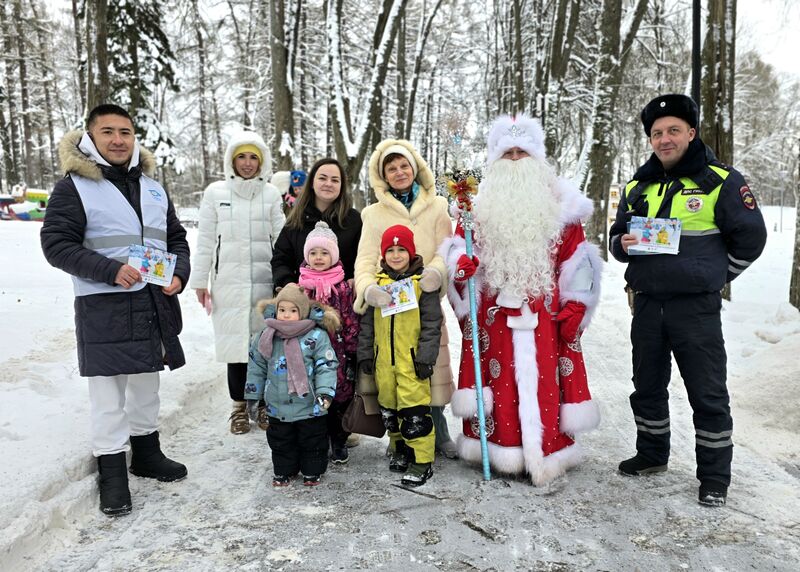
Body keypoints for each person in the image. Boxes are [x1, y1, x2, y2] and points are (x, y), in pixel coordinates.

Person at [609, 94, 767, 506]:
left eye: (673, 130)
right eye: (657, 133)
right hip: (645, 304)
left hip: (695, 308)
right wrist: (621, 244)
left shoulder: (721, 181)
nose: (665, 139)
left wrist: (715, 276)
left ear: (691, 133)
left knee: (707, 392)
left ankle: (714, 477)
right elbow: (616, 239)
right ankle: (651, 454)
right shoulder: (636, 185)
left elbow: (752, 239)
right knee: (646, 387)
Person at [40, 104, 189, 516]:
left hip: (151, 303)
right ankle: (112, 472)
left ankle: (146, 453)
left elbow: (175, 238)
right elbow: (56, 245)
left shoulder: (154, 188)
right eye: (108, 132)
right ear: (90, 137)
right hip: (104, 306)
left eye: (125, 132)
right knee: (108, 393)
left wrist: (181, 273)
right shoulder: (74, 187)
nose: (118, 140)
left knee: (147, 384)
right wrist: (110, 270)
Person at [441, 113, 602, 486]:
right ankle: (502, 449)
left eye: (522, 152)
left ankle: (549, 448)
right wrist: (461, 269)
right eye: (507, 153)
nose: (515, 159)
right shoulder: (474, 211)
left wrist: (577, 302)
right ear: (495, 161)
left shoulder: (563, 207)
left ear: (538, 157)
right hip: (495, 318)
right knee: (501, 383)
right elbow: (460, 257)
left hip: (545, 316)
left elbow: (578, 259)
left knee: (546, 380)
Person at [354, 139, 457, 459]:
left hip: (424, 301)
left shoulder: (438, 205)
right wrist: (367, 288)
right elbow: (365, 258)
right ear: (382, 175)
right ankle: (397, 436)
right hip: (389, 306)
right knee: (393, 372)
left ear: (415, 168)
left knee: (429, 366)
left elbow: (448, 249)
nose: (399, 172)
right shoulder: (372, 213)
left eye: (403, 166)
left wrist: (437, 273)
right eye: (391, 168)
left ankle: (438, 432)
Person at [190, 131, 284, 435]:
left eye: (253, 157)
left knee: (266, 347)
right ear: (232, 160)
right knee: (235, 349)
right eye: (241, 157)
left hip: (264, 285)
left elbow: (281, 239)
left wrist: (287, 281)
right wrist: (199, 280)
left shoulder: (270, 194)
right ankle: (239, 408)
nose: (247, 163)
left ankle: (265, 405)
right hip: (227, 282)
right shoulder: (215, 193)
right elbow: (205, 240)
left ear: (262, 161)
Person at [357, 226, 443, 486]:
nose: (396, 255)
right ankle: (400, 450)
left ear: (411, 252)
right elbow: (368, 324)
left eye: (401, 249)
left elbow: (431, 324)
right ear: (384, 254)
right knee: (390, 410)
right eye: (390, 250)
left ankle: (421, 460)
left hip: (411, 363)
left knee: (414, 412)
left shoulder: (421, 285)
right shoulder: (379, 285)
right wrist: (366, 354)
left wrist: (426, 357)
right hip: (384, 362)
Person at [245, 285, 340, 487]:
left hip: (311, 405)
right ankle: (284, 470)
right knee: (281, 440)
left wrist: (325, 393)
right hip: (277, 405)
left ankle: (312, 470)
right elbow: (256, 367)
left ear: (303, 312)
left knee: (312, 440)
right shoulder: (266, 336)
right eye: (282, 310)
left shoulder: (316, 336)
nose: (286, 315)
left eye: (293, 310)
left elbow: (326, 365)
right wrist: (253, 396)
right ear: (276, 310)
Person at [298, 222, 360, 463]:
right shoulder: (301, 288)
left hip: (338, 354)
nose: (318, 257)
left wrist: (352, 349)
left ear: (333, 255)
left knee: (341, 397)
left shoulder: (343, 286)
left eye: (324, 253)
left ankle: (339, 440)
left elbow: (351, 319)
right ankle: (319, 439)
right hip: (310, 355)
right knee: (316, 396)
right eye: (313, 253)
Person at [271, 158, 362, 291]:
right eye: (322, 178)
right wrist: (287, 282)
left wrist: (357, 278)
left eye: (335, 180)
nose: (328, 184)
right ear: (312, 183)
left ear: (342, 186)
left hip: (345, 300)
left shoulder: (354, 220)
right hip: (303, 300)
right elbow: (281, 259)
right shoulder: (296, 220)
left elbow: (364, 258)